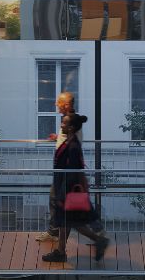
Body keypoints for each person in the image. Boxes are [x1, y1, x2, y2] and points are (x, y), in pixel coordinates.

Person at [42, 113, 110, 263]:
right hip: (66, 189)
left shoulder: (72, 146)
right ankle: (61, 252)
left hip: (67, 191)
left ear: (71, 127)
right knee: (67, 222)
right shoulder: (70, 142)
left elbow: (71, 172)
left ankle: (98, 240)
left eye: (64, 123)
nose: (61, 125)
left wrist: (62, 195)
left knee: (74, 223)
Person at [36, 90, 77, 242]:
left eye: (58, 102)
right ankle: (54, 233)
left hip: (66, 169)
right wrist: (57, 137)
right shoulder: (68, 119)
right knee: (55, 199)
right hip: (62, 168)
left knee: (60, 201)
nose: (56, 104)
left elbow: (72, 143)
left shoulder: (70, 121)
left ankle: (58, 239)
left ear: (66, 105)